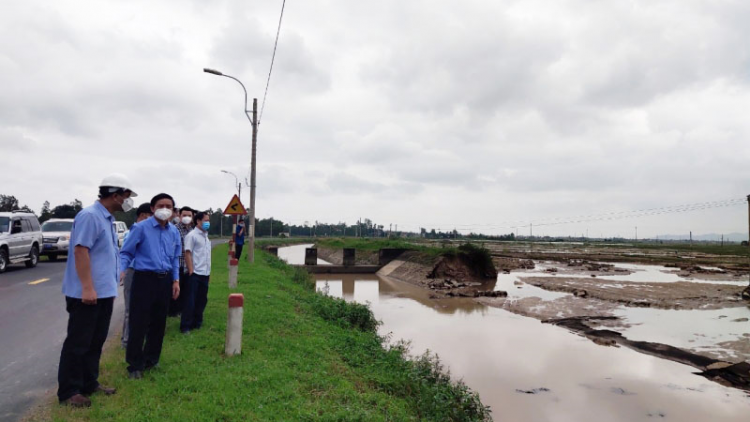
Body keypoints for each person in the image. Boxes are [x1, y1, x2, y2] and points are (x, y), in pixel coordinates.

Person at [57, 174, 137, 407]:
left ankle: (89, 383)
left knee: (95, 340)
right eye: (127, 196)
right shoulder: (90, 216)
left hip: (103, 292)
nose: (128, 201)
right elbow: (81, 251)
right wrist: (87, 288)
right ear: (115, 195)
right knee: (78, 342)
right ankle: (69, 391)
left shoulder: (107, 219)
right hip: (87, 294)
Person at [120, 193, 181, 379]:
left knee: (158, 322)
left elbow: (175, 258)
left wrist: (176, 280)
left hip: (164, 279)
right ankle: (134, 365)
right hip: (144, 279)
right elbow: (126, 252)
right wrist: (121, 271)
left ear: (172, 211)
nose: (165, 209)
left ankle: (151, 359)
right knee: (139, 322)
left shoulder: (173, 232)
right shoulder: (140, 228)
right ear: (153, 209)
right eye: (161, 205)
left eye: (169, 206)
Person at [120, 203, 152, 349]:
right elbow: (126, 254)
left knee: (143, 308)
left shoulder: (148, 231)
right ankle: (126, 341)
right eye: (150, 215)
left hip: (144, 273)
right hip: (132, 272)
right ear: (143, 215)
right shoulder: (131, 232)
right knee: (130, 309)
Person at [180, 211, 212, 334]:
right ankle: (185, 326)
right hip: (194, 273)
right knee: (190, 300)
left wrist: (209, 272)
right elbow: (187, 253)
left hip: (205, 273)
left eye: (208, 221)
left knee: (202, 300)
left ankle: (197, 323)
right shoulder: (192, 236)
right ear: (198, 221)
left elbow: (207, 256)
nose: (207, 223)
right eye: (205, 220)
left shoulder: (206, 236)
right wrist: (191, 270)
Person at [169, 206, 194, 317]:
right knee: (175, 289)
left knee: (185, 289)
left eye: (189, 215)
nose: (186, 218)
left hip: (188, 265)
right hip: (177, 264)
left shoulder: (192, 230)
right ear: (179, 216)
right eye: (184, 215)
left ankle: (181, 310)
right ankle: (173, 311)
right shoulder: (174, 229)